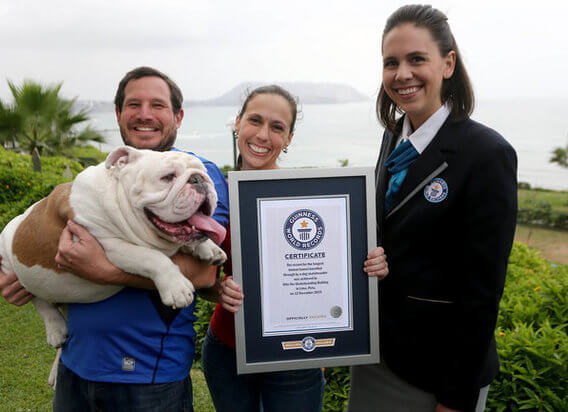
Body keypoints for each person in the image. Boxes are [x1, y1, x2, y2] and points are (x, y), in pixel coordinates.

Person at [0, 66, 229, 412]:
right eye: (133, 104)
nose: (145, 114)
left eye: (158, 105)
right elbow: (51, 242)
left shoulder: (197, 174)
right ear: (118, 114)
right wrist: (26, 280)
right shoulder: (108, 177)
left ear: (178, 116)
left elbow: (203, 275)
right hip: (76, 361)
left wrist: (104, 270)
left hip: (148, 374)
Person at [347, 5, 517, 412]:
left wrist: (455, 400)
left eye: (416, 59)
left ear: (448, 64)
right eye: (391, 62)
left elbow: (483, 293)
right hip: (376, 356)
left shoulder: (487, 154)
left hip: (438, 373)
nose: (401, 73)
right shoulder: (393, 140)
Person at [201, 85, 389, 412]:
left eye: (277, 127)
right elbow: (197, 278)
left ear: (288, 139)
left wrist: (373, 265)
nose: (263, 135)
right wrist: (217, 291)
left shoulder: (309, 197)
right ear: (237, 123)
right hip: (227, 350)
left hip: (297, 358)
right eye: (254, 121)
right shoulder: (215, 194)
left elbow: (342, 264)